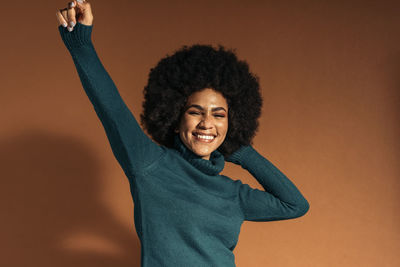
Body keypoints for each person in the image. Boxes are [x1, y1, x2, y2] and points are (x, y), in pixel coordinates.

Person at [56, 1, 310, 266]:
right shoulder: (150, 165)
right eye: (195, 112)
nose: (206, 123)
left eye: (219, 114)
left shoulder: (233, 194)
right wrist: (81, 46)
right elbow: (111, 108)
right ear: (175, 117)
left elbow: (295, 205)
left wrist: (241, 150)